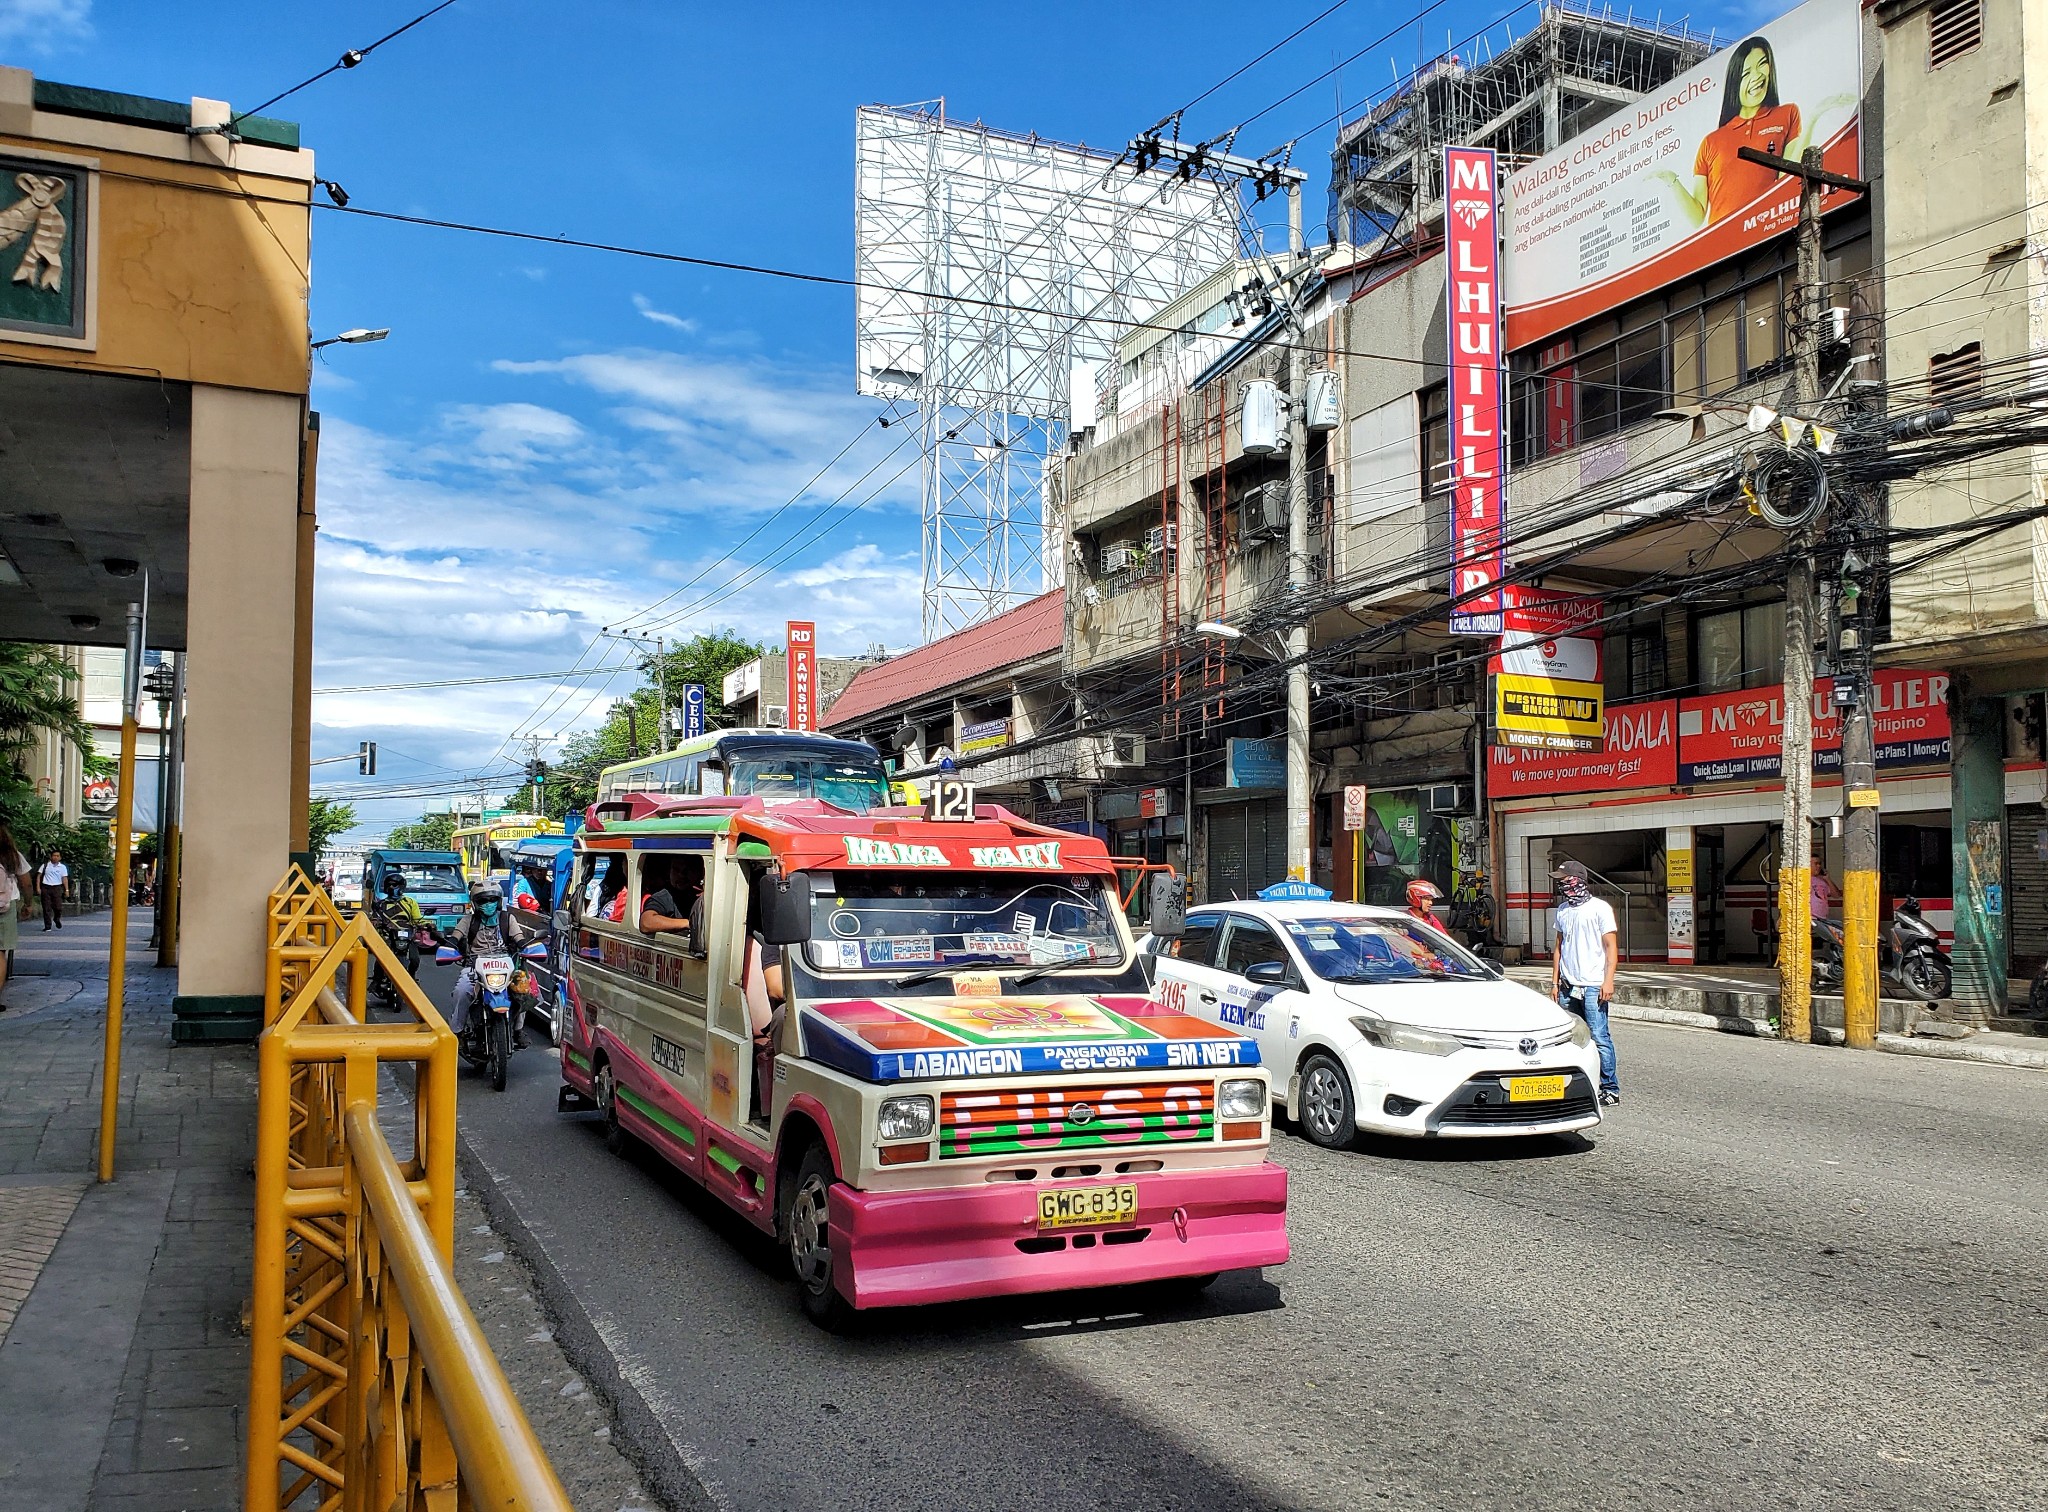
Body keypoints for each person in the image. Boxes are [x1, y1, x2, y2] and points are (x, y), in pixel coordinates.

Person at [1653, 36, 1856, 229]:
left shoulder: (1786, 114)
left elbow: (1788, 173)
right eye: (1746, 73)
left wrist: (1814, 117)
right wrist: (1671, 180)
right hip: (1720, 243)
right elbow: (1698, 216)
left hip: (1766, 226)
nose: (1757, 76)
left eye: (1762, 64)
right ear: (1735, 82)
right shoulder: (1711, 141)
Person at [1550, 859, 1621, 1107]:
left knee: (1599, 1037)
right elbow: (1559, 947)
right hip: (1568, 986)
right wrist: (1554, 983)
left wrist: (1608, 981)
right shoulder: (1562, 911)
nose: (1562, 886)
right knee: (1570, 1039)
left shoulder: (1600, 909)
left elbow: (1611, 948)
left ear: (1577, 880)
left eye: (1565, 880)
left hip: (1593, 985)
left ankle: (1610, 1088)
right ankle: (1577, 1085)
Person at [450, 880, 535, 1048]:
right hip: (475, 965)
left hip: (505, 965)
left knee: (524, 988)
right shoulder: (468, 920)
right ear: (474, 902)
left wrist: (529, 947)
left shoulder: (507, 918)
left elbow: (519, 939)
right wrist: (448, 946)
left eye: (492, 900)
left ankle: (518, 1030)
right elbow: (455, 937)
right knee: (462, 991)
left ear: (499, 901)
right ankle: (456, 1032)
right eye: (482, 901)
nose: (488, 904)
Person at [0, 823, 29, 1010]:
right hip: (5, 907)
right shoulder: (12, 856)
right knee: (0, 952)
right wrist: (28, 903)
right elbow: (26, 882)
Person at [36, 847, 67, 930]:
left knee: (58, 907)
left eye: (57, 856)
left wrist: (66, 890)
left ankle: (57, 918)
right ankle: (47, 926)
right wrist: (38, 887)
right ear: (51, 856)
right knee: (46, 907)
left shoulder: (62, 867)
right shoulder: (45, 866)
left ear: (60, 857)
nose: (55, 857)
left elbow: (64, 878)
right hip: (46, 887)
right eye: (54, 855)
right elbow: (39, 876)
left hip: (57, 887)